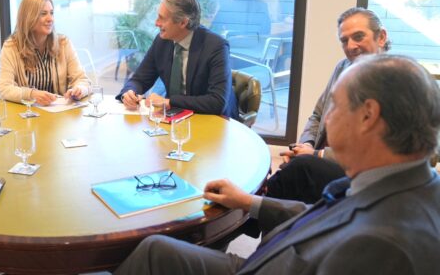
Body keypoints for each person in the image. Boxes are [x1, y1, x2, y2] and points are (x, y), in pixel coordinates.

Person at [115, 54, 440, 275]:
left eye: (336, 106)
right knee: (155, 249)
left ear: (368, 115)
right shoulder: (398, 183)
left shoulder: (385, 246)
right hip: (273, 258)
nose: (326, 118)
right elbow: (327, 217)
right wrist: (250, 202)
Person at [266, 7, 390, 203]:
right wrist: (305, 145)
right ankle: (260, 217)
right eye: (344, 40)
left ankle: (247, 213)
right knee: (290, 171)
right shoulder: (342, 67)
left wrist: (317, 154)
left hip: (359, 171)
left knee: (299, 170)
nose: (351, 46)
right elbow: (317, 114)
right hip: (320, 156)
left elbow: (380, 149)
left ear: (381, 37)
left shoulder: (395, 81)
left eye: (358, 36)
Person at [116, 0, 238, 118]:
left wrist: (169, 102)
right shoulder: (162, 41)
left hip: (213, 121)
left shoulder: (216, 46)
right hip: (174, 118)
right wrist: (129, 92)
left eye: (162, 18)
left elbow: (217, 102)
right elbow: (140, 79)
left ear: (183, 23)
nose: (156, 23)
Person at [0, 0, 90, 106]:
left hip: (57, 114)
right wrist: (32, 94)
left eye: (51, 13)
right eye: (43, 14)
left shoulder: (63, 44)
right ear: (29, 17)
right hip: (26, 114)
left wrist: (79, 89)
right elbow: (4, 89)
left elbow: (82, 80)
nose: (50, 19)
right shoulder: (11, 47)